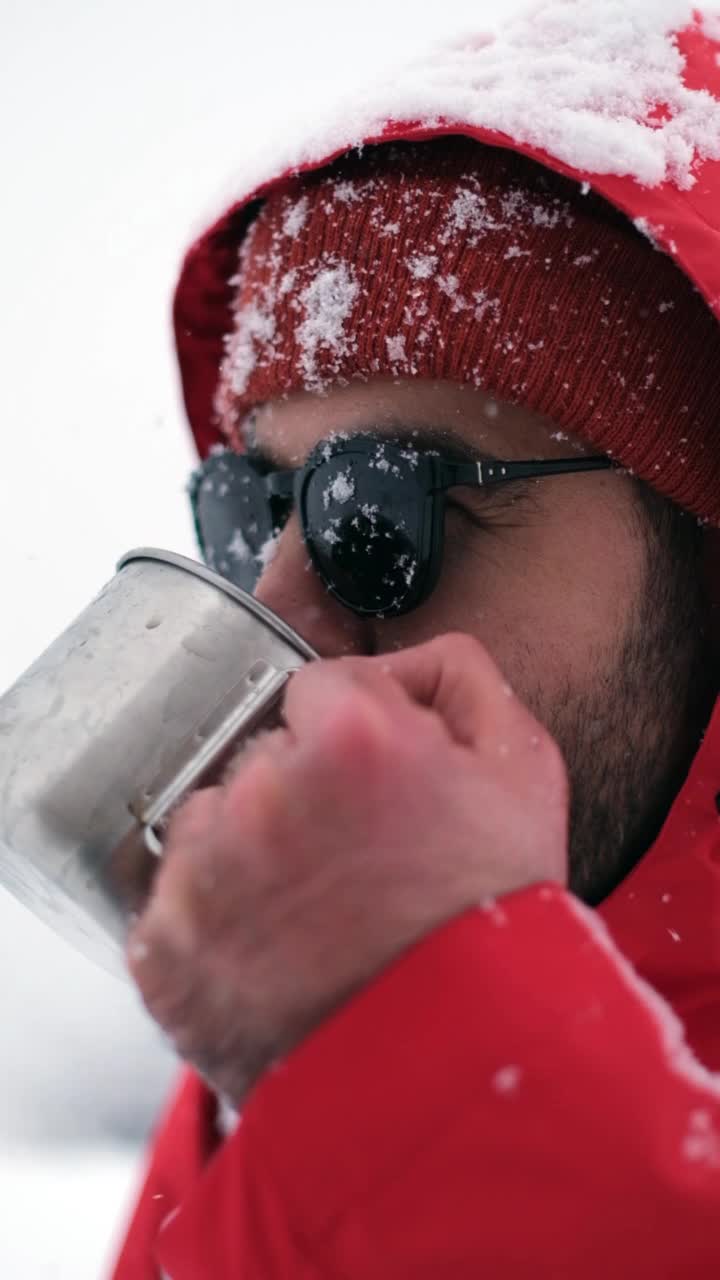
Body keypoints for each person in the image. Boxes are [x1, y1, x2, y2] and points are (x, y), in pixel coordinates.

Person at [112, 5, 720, 1276]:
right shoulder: (319, 1052)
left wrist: (434, 1066)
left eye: (382, 508)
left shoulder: (396, 1029)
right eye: (255, 511)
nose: (276, 619)